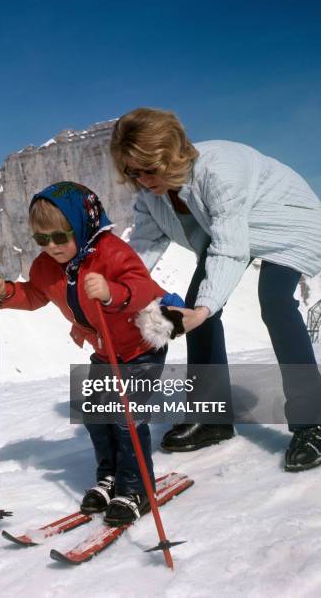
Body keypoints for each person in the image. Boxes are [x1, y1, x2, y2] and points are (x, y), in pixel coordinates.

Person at [110, 107, 321, 471]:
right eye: (133, 171)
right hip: (235, 233)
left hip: (290, 225)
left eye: (150, 169)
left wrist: (205, 309)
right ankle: (213, 418)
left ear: (170, 154)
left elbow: (230, 247)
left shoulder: (220, 171)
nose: (143, 180)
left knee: (273, 301)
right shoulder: (149, 196)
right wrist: (116, 294)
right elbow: (141, 248)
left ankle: (312, 421)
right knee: (196, 306)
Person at [0, 181, 182, 525]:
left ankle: (136, 487)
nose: (52, 247)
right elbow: (35, 295)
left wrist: (110, 292)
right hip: (105, 351)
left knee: (125, 419)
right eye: (42, 239)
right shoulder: (46, 266)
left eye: (60, 236)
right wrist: (5, 292)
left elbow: (141, 287)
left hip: (139, 348)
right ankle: (109, 478)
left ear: (82, 225)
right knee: (96, 415)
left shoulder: (112, 252)